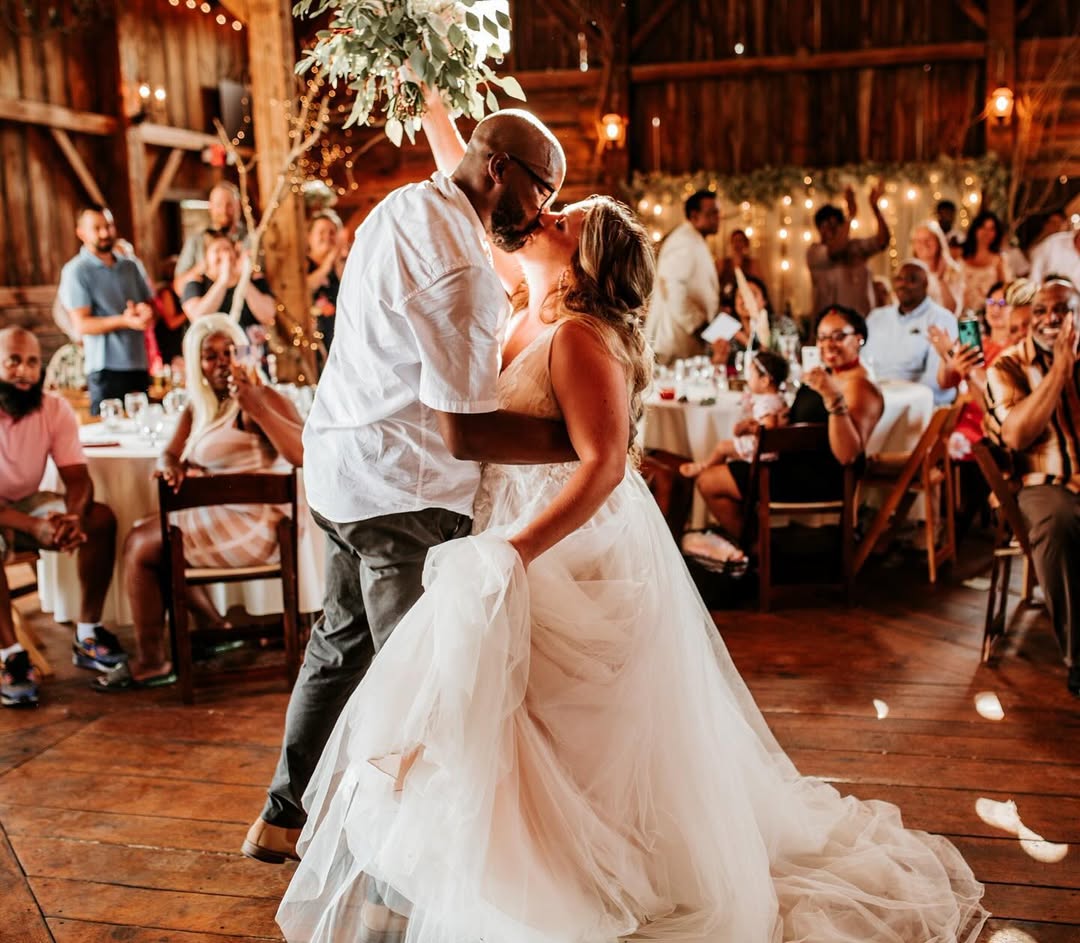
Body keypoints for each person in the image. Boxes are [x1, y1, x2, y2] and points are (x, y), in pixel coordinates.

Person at [276, 200, 985, 940]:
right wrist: (435, 117)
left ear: (585, 261)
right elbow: (483, 178)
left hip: (563, 543)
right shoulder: (519, 306)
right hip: (500, 522)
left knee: (564, 724)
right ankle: (516, 875)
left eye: (565, 219)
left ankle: (589, 875)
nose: (546, 214)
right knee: (505, 718)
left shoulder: (580, 336)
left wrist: (517, 551)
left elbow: (606, 465)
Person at [243, 106, 576, 866]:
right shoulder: (464, 271)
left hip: (339, 471)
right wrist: (581, 444)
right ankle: (397, 878)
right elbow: (466, 432)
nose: (543, 212)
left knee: (338, 647)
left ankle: (280, 819)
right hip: (402, 496)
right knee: (419, 693)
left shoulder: (402, 205)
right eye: (543, 190)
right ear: (500, 169)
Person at [94, 315, 304, 690]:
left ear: (244, 354)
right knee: (149, 535)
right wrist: (170, 466)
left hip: (262, 523)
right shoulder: (200, 406)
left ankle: (153, 660)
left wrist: (255, 405)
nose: (223, 362)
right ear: (197, 363)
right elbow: (169, 452)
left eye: (230, 352)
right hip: (224, 514)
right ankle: (213, 626)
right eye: (211, 356)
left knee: (142, 545)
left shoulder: (264, 397)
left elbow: (302, 454)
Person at [0, 327, 126, 707]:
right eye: (13, 361)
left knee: (99, 519)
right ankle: (11, 656)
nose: (24, 371)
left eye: (32, 362)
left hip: (27, 501)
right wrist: (33, 526)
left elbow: (77, 477)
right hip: (10, 515)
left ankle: (87, 633)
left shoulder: (53, 408)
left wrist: (73, 518)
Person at [696, 306, 885, 541]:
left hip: (817, 479)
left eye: (838, 336)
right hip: (793, 464)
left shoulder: (861, 386)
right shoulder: (830, 373)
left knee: (709, 481)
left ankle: (758, 550)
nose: (828, 344)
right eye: (822, 337)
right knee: (716, 468)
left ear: (859, 338)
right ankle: (766, 549)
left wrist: (832, 397)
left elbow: (847, 455)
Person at [984, 278, 1080, 697]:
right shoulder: (1008, 366)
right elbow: (1017, 436)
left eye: (1062, 309)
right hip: (1043, 481)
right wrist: (1059, 372)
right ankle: (1079, 656)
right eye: (1040, 311)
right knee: (1058, 524)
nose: (1050, 318)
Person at [58, 206, 154, 414]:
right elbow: (81, 324)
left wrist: (144, 312)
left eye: (108, 226)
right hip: (105, 369)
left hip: (139, 362)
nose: (105, 233)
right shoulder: (76, 271)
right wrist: (124, 321)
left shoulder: (131, 266)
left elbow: (149, 305)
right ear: (81, 233)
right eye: (97, 228)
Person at [679, 349, 789, 477]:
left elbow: (769, 427)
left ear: (764, 381)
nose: (748, 379)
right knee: (726, 447)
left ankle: (703, 468)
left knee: (722, 447)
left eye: (751, 375)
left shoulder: (766, 403)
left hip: (762, 451)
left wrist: (748, 427)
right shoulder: (778, 398)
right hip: (768, 449)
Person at [863, 259, 958, 404]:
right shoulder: (877, 317)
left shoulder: (941, 319)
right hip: (874, 397)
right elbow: (862, 363)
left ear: (925, 284)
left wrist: (897, 400)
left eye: (912, 280)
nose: (903, 284)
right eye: (899, 279)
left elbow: (935, 381)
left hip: (918, 403)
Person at [644, 189, 720, 364]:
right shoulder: (684, 242)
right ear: (694, 215)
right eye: (712, 213)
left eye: (717, 212)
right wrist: (698, 327)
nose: (717, 218)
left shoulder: (694, 239)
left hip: (683, 342)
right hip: (674, 341)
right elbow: (673, 289)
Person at [807, 182, 889, 317]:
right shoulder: (815, 253)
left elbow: (883, 241)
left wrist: (875, 208)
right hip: (832, 322)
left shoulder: (855, 246)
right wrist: (851, 215)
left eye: (835, 225)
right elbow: (836, 250)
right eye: (825, 226)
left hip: (864, 320)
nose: (831, 230)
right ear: (819, 229)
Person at [181, 234, 277, 331]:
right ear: (207, 257)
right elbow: (197, 317)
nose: (224, 254)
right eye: (217, 250)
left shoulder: (253, 277)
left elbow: (268, 315)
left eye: (227, 249)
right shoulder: (197, 281)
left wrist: (243, 279)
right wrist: (223, 280)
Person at [173, 182, 247, 295]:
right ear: (210, 207)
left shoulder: (251, 239)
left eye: (229, 205)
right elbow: (179, 287)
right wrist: (204, 266)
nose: (223, 210)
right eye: (218, 205)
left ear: (238, 206)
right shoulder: (196, 240)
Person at [306, 210, 347, 357]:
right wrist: (328, 263)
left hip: (340, 344)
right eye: (322, 232)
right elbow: (305, 289)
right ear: (309, 237)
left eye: (332, 232)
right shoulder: (303, 266)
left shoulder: (342, 267)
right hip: (313, 347)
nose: (327, 237)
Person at [960, 210, 1010, 315]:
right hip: (962, 312)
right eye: (983, 227)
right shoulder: (960, 256)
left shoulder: (999, 260)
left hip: (988, 313)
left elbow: (1005, 289)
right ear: (975, 229)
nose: (986, 233)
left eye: (991, 229)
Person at [910, 220, 965, 315]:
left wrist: (941, 279)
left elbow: (953, 310)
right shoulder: (909, 271)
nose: (924, 244)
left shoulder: (953, 271)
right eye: (918, 241)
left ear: (938, 242)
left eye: (928, 239)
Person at [717, 228, 762, 313]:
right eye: (735, 241)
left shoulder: (752, 264)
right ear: (731, 243)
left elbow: (758, 287)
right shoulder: (722, 264)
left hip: (745, 307)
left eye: (740, 241)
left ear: (745, 243)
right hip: (726, 307)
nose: (737, 244)